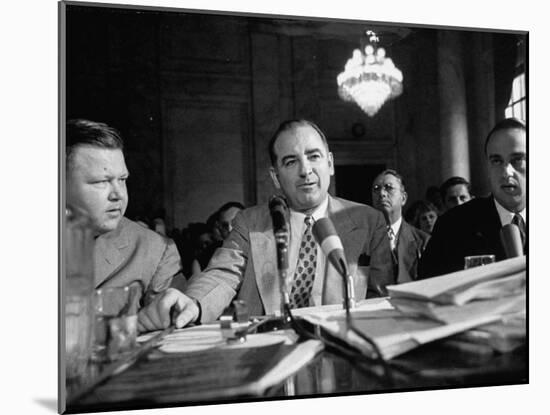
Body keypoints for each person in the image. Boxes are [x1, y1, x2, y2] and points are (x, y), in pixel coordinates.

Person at [163, 119, 393, 328]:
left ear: (330, 163)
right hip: (269, 344)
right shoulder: (250, 222)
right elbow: (223, 273)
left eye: (314, 156)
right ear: (275, 176)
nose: (306, 171)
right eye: (291, 162)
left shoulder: (369, 221)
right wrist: (194, 302)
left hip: (341, 342)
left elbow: (381, 299)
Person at [66, 119, 185, 332]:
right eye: (101, 181)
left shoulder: (154, 250)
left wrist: (140, 324)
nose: (118, 195)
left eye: (122, 179)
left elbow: (177, 335)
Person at [419, 118, 526, 278]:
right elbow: (426, 289)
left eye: (517, 160)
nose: (506, 172)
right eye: (496, 161)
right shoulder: (452, 225)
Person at [371, 170, 430, 284]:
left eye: (389, 188)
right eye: (376, 189)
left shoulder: (423, 241)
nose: (382, 193)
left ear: (403, 198)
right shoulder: (362, 242)